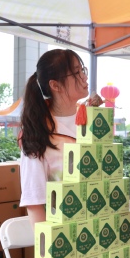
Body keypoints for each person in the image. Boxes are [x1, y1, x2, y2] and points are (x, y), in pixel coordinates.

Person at [18, 49, 89, 227]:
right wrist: (48, 243)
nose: (84, 77)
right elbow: (34, 202)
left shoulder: (93, 119)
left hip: (99, 227)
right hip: (64, 233)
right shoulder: (37, 134)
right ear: (55, 85)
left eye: (82, 70)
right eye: (77, 72)